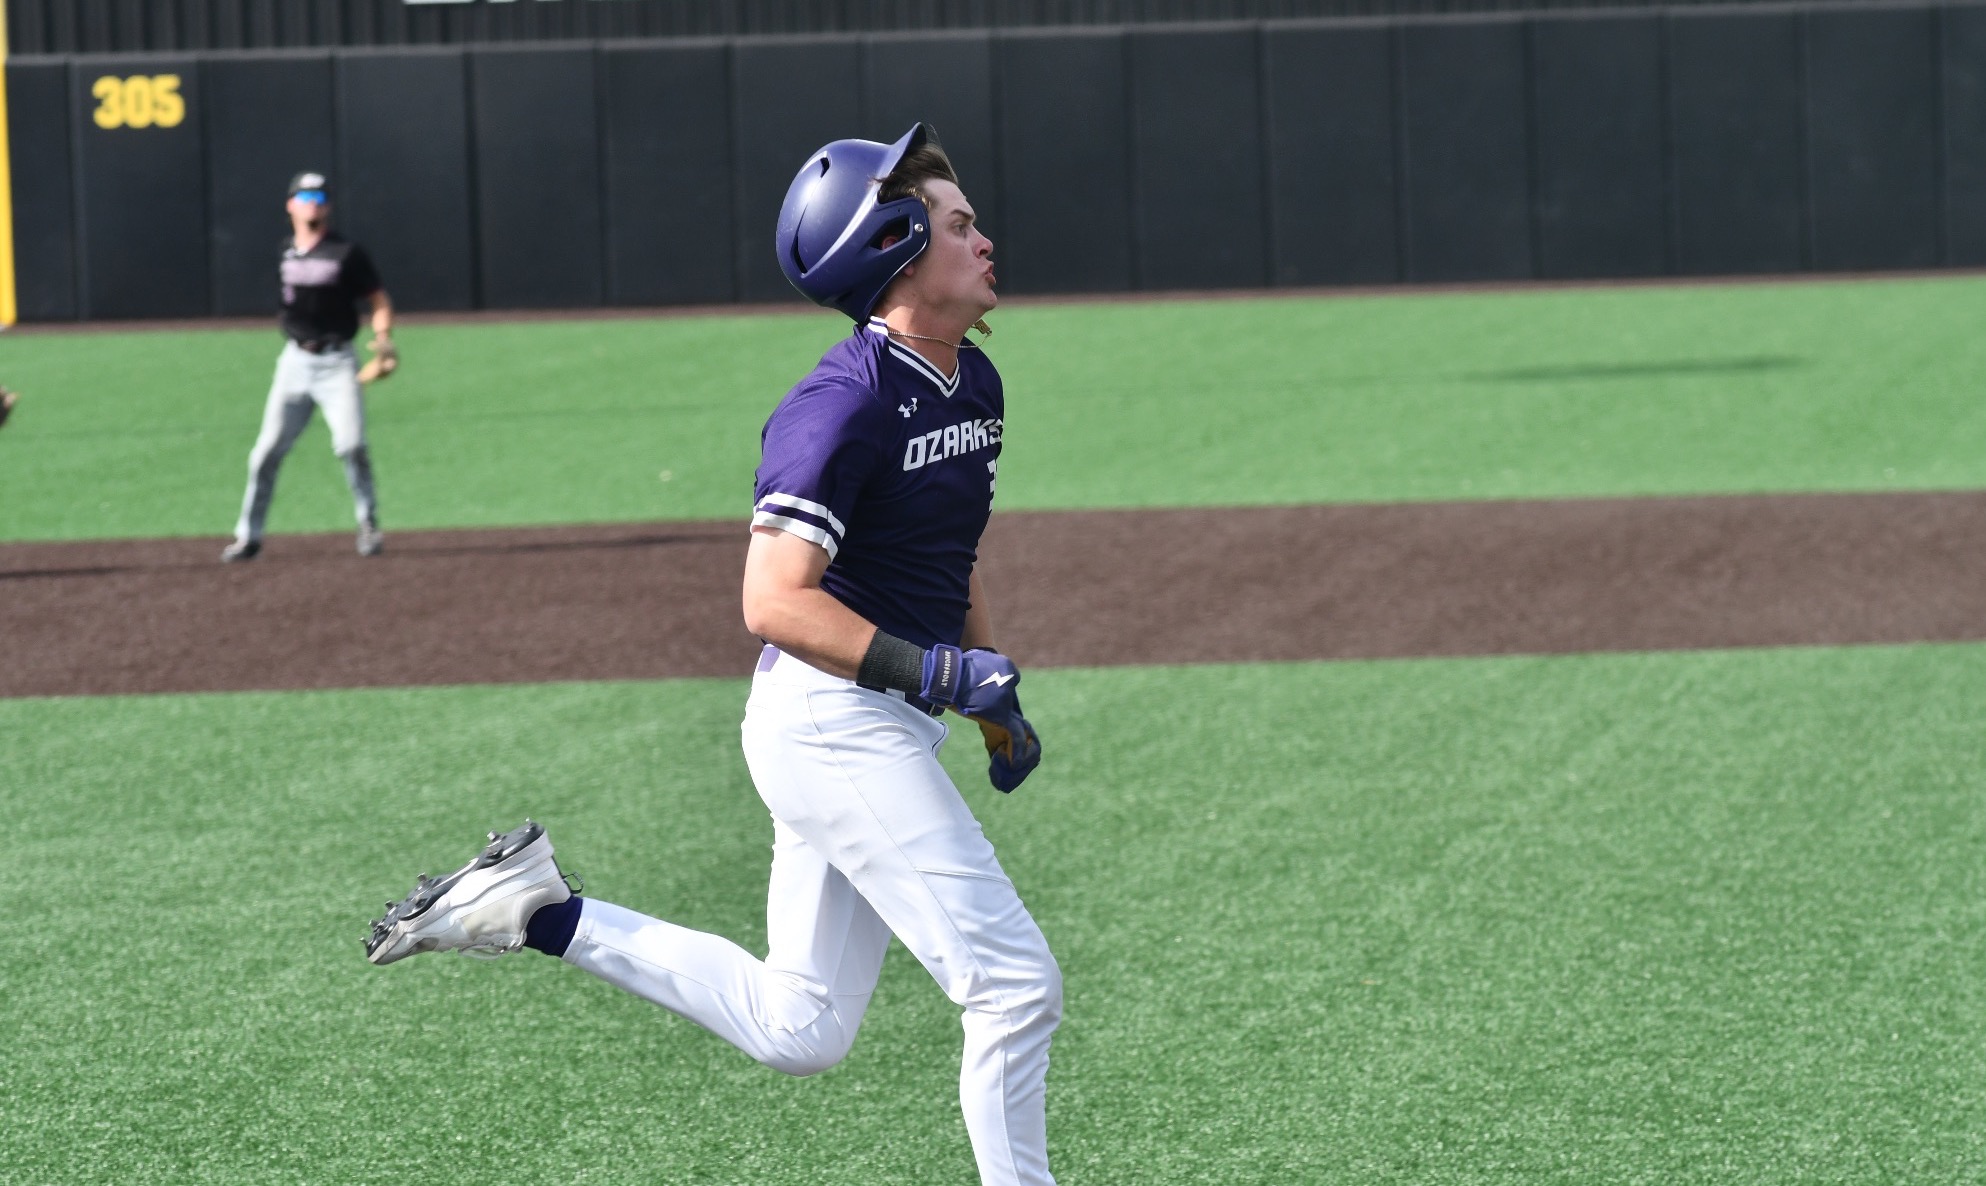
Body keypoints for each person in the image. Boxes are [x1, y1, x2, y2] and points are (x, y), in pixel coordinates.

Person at [364, 125, 1058, 1186]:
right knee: (1014, 984)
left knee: (802, 1026)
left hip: (872, 722)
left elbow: (944, 555)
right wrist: (938, 676)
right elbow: (771, 600)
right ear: (895, 246)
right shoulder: (842, 405)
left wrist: (984, 682)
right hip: (831, 725)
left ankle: (536, 909)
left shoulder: (971, 383)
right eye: (959, 225)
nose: (985, 238)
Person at [222, 171, 395, 562]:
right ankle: (248, 536)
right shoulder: (286, 250)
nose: (312, 202)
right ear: (290, 205)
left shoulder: (346, 252)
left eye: (318, 195)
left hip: (337, 362)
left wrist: (383, 339)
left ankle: (368, 525)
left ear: (328, 205)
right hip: (295, 362)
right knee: (265, 452)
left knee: (351, 445)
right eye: (304, 196)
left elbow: (378, 299)